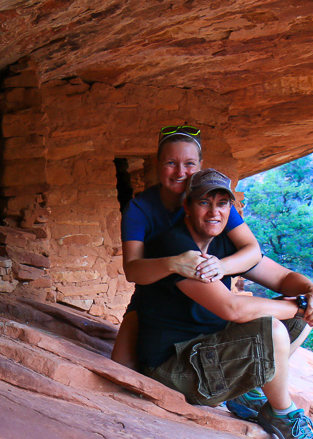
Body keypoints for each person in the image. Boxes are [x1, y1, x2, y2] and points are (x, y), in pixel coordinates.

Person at [136, 168, 313, 439]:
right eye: (204, 202)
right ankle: (281, 414)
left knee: (302, 316)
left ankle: (245, 393)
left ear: (232, 207)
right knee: (277, 326)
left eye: (222, 203)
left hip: (205, 349)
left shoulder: (224, 242)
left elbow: (281, 278)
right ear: (187, 207)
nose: (214, 212)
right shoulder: (178, 247)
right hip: (173, 366)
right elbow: (232, 308)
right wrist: (298, 305)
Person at [111, 125, 261, 369]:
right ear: (158, 164)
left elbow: (252, 249)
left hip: (205, 294)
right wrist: (172, 263)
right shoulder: (141, 209)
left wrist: (221, 265)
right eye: (171, 163)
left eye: (189, 164)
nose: (181, 172)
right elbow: (133, 270)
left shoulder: (212, 203)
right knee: (122, 370)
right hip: (155, 299)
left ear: (200, 165)